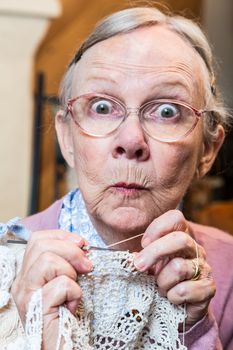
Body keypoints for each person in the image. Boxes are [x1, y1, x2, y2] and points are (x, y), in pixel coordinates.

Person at [0, 6, 233, 350]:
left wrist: (196, 331)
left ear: (208, 150)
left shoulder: (228, 271)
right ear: (67, 137)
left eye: (167, 111)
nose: (131, 141)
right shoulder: (6, 259)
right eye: (102, 107)